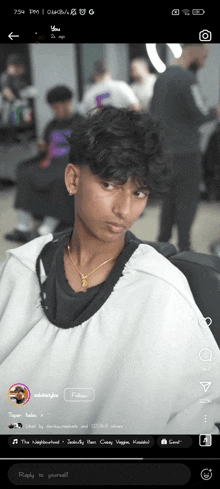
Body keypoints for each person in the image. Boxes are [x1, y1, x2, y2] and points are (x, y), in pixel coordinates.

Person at [0, 106, 220, 435]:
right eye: (109, 185)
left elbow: (200, 407)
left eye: (139, 192)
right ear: (73, 179)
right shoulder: (19, 269)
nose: (124, 209)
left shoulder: (162, 288)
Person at [150, 43, 220, 252]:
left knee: (168, 203)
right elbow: (199, 113)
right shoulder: (187, 79)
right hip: (187, 154)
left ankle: (161, 246)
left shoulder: (161, 79)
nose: (204, 62)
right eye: (204, 56)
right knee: (187, 204)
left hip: (165, 153)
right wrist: (216, 111)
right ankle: (185, 249)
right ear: (195, 50)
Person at [5, 85, 85, 244]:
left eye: (57, 107)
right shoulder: (52, 125)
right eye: (52, 108)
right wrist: (44, 148)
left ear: (67, 103)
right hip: (51, 162)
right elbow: (46, 148)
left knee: (58, 179)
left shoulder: (82, 123)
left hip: (69, 165)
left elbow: (86, 152)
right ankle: (23, 227)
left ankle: (46, 229)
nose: (55, 111)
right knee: (25, 172)